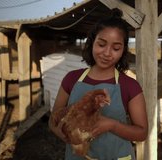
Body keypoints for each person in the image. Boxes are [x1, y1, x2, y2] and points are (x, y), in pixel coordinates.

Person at [48, 8, 148, 160]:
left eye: (116, 48)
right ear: (92, 42)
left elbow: (141, 133)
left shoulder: (129, 85)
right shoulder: (72, 79)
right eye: (101, 44)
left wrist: (112, 125)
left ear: (123, 51)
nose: (107, 53)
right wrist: (72, 136)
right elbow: (53, 120)